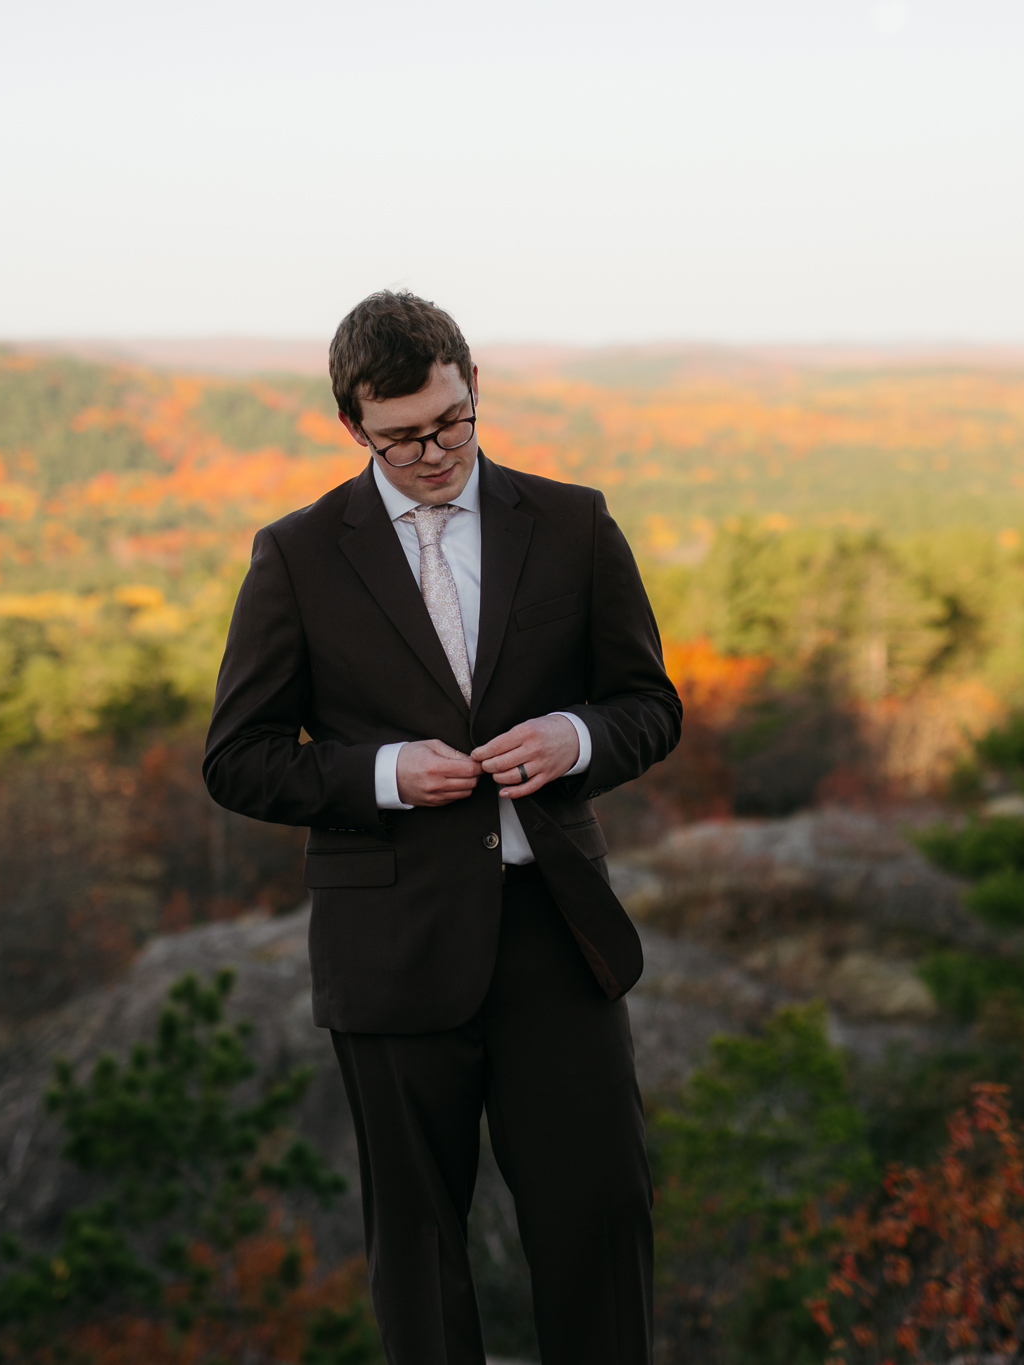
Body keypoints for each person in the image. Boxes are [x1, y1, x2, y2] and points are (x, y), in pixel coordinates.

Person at [203, 290, 681, 1365]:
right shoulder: (295, 556)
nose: (432, 453)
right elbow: (236, 760)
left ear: (475, 389)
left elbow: (649, 706)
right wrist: (376, 773)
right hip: (391, 945)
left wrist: (573, 736)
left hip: (554, 928)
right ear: (351, 427)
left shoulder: (572, 523)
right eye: (401, 435)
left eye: (451, 422)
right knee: (417, 1247)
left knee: (602, 1210)